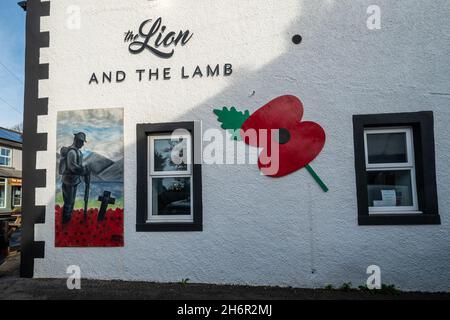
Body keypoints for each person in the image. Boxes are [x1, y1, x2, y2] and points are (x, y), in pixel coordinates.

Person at [60, 132, 89, 224]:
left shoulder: (78, 152)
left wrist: (83, 170)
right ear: (76, 140)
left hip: (73, 180)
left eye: (83, 142)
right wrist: (83, 170)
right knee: (68, 203)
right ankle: (65, 222)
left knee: (71, 202)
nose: (82, 144)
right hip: (69, 181)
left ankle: (67, 222)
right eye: (81, 141)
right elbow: (72, 166)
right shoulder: (72, 152)